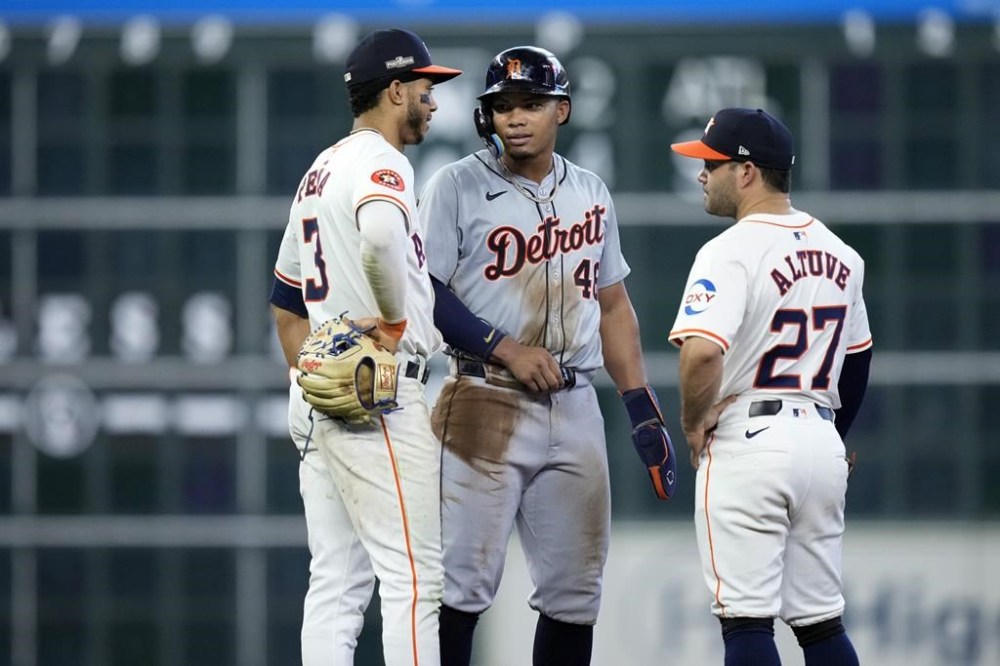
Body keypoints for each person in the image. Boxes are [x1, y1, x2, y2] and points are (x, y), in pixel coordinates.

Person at [418, 46, 676, 666]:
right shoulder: (455, 185)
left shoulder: (589, 191)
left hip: (576, 401)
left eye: (531, 104)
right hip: (483, 398)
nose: (515, 117)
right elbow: (421, 289)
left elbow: (613, 306)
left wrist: (641, 406)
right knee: (459, 588)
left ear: (561, 109)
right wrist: (505, 348)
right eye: (502, 106)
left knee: (575, 593)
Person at [267, 28, 461, 666]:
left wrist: (308, 375)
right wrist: (395, 323)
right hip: (379, 393)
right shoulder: (384, 161)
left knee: (336, 584)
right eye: (426, 89)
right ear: (395, 88)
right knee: (414, 578)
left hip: (326, 395)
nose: (432, 103)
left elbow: (286, 303)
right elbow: (380, 235)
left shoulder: (316, 172)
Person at [668, 108, 873, 666]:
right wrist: (836, 435)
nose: (701, 174)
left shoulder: (729, 249)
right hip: (820, 442)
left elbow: (704, 350)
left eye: (710, 163)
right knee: (822, 622)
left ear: (747, 171)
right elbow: (858, 357)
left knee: (745, 620)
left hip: (750, 439)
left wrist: (692, 421)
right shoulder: (842, 254)